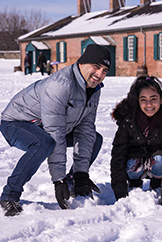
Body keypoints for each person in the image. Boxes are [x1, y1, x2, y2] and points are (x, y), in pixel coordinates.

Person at [0, 44, 111, 216]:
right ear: (82, 63)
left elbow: (85, 128)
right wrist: (58, 180)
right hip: (16, 122)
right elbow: (55, 132)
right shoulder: (60, 85)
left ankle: (75, 181)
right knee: (44, 142)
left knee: (94, 138)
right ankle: (9, 195)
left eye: (104, 70)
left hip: (47, 125)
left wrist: (81, 173)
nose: (99, 74)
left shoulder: (94, 88)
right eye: (96, 67)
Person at [110, 75, 162, 207]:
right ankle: (134, 182)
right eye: (143, 100)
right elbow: (118, 154)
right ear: (137, 101)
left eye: (153, 99)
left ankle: (157, 183)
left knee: (160, 161)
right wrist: (120, 192)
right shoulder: (128, 120)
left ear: (161, 100)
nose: (149, 104)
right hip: (134, 161)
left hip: (157, 161)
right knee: (133, 164)